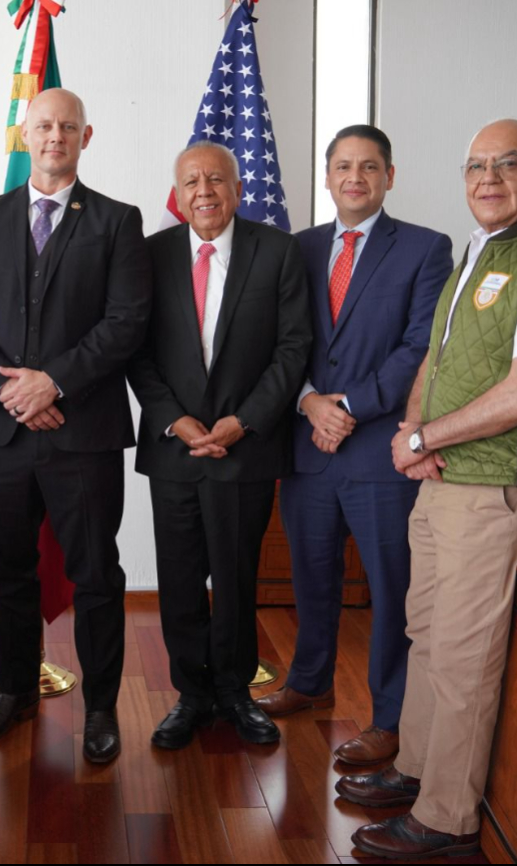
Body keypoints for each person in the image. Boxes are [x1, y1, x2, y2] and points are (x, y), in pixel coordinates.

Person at [343, 119, 517, 859]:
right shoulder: (479, 251)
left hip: (494, 488)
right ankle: (416, 770)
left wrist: (425, 438)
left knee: (461, 657)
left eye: (506, 164)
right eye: (475, 167)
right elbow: (435, 359)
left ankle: (444, 820)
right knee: (425, 634)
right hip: (440, 478)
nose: (487, 179)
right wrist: (410, 435)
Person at [0, 88, 152, 762]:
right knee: (6, 570)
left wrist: (51, 382)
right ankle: (14, 691)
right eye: (43, 126)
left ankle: (99, 710)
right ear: (22, 135)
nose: (54, 135)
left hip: (80, 434)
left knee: (95, 575)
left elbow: (125, 322)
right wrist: (13, 394)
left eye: (67, 126)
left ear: (85, 137)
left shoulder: (118, 221)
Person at [261, 125, 452, 765]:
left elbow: (420, 348)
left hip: (379, 453)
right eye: (343, 166)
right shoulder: (297, 248)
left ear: (389, 176)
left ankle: (390, 718)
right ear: (326, 176)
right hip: (309, 447)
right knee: (312, 579)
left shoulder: (426, 249)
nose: (355, 178)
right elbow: (280, 341)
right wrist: (310, 400)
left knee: (390, 588)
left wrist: (349, 406)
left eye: (369, 167)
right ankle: (309, 683)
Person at [128, 140, 310, 750]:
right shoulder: (149, 255)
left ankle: (234, 692)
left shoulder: (278, 251)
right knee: (179, 579)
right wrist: (173, 419)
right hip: (174, 447)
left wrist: (243, 421)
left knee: (236, 577)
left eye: (215, 179)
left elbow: (292, 350)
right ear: (177, 196)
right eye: (190, 183)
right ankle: (191, 694)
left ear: (237, 188)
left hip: (246, 447)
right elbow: (137, 351)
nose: (203, 191)